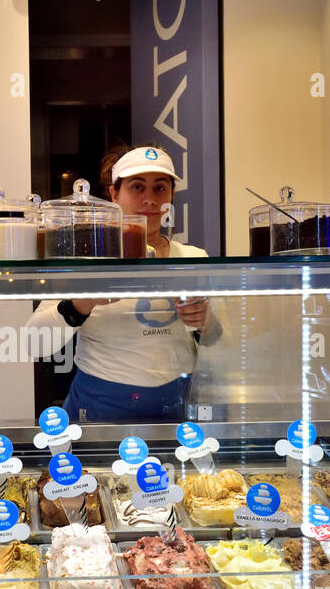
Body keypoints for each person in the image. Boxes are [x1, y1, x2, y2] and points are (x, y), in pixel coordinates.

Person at [26, 144, 219, 422]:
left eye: (160, 188)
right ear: (113, 194)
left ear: (172, 196)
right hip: (99, 410)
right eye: (137, 187)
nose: (150, 199)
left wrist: (206, 322)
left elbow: (223, 343)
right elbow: (35, 344)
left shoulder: (193, 258)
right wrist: (81, 303)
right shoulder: (85, 261)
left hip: (177, 410)